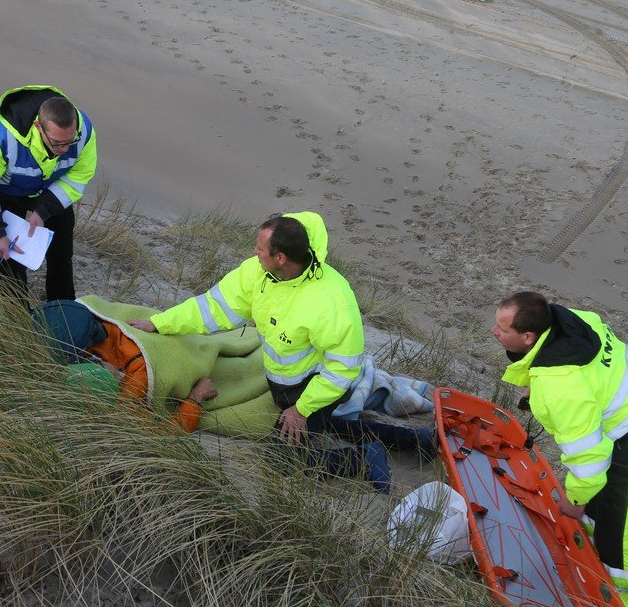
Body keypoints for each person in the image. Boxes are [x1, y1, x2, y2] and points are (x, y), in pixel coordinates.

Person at [130, 211, 434, 492]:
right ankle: (414, 440)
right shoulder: (256, 273)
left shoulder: (332, 302)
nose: (254, 253)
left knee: (282, 461)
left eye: (260, 249)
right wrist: (160, 324)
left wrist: (300, 410)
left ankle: (362, 461)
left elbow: (342, 369)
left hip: (317, 388)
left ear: (281, 258)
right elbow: (212, 308)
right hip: (282, 387)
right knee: (327, 425)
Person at [491, 291, 628, 607]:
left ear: (528, 337)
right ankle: (598, 563)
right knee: (603, 515)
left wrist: (575, 501)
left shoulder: (560, 387)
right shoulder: (572, 320)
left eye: (502, 328)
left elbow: (589, 461)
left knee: (627, 538)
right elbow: (585, 372)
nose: (494, 333)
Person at [0, 85, 97, 301]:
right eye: (57, 143)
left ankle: (63, 306)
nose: (64, 149)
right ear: (38, 127)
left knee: (62, 254)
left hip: (51, 192)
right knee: (8, 257)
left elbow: (78, 177)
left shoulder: (84, 131)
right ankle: (16, 310)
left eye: (69, 142)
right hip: (9, 193)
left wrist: (43, 210)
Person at [34, 299, 217, 434]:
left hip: (192, 350)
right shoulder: (78, 317)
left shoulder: (138, 371)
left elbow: (161, 435)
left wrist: (195, 398)